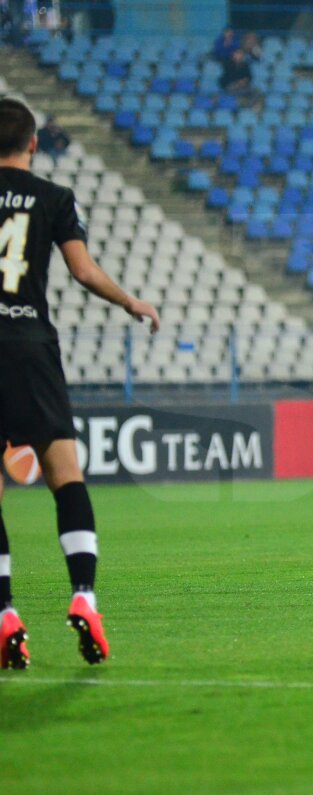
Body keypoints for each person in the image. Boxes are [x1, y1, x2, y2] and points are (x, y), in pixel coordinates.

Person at [0, 98, 161, 669]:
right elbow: (83, 271)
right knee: (66, 476)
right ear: (33, 144)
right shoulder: (54, 198)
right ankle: (84, 596)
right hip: (32, 347)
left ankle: (4, 613)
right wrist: (131, 302)